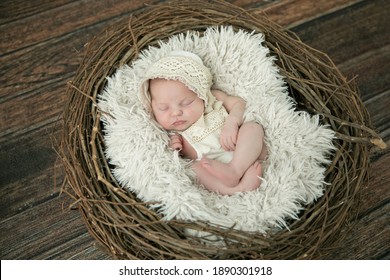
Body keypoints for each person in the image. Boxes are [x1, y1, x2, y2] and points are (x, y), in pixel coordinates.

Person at [140, 51, 267, 195]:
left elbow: (239, 103)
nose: (176, 113)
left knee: (252, 128)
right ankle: (234, 189)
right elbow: (180, 160)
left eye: (186, 102)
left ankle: (236, 169)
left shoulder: (213, 99)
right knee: (195, 168)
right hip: (214, 170)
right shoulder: (173, 135)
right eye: (163, 108)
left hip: (245, 153)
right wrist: (176, 148)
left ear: (201, 94)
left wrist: (232, 122)